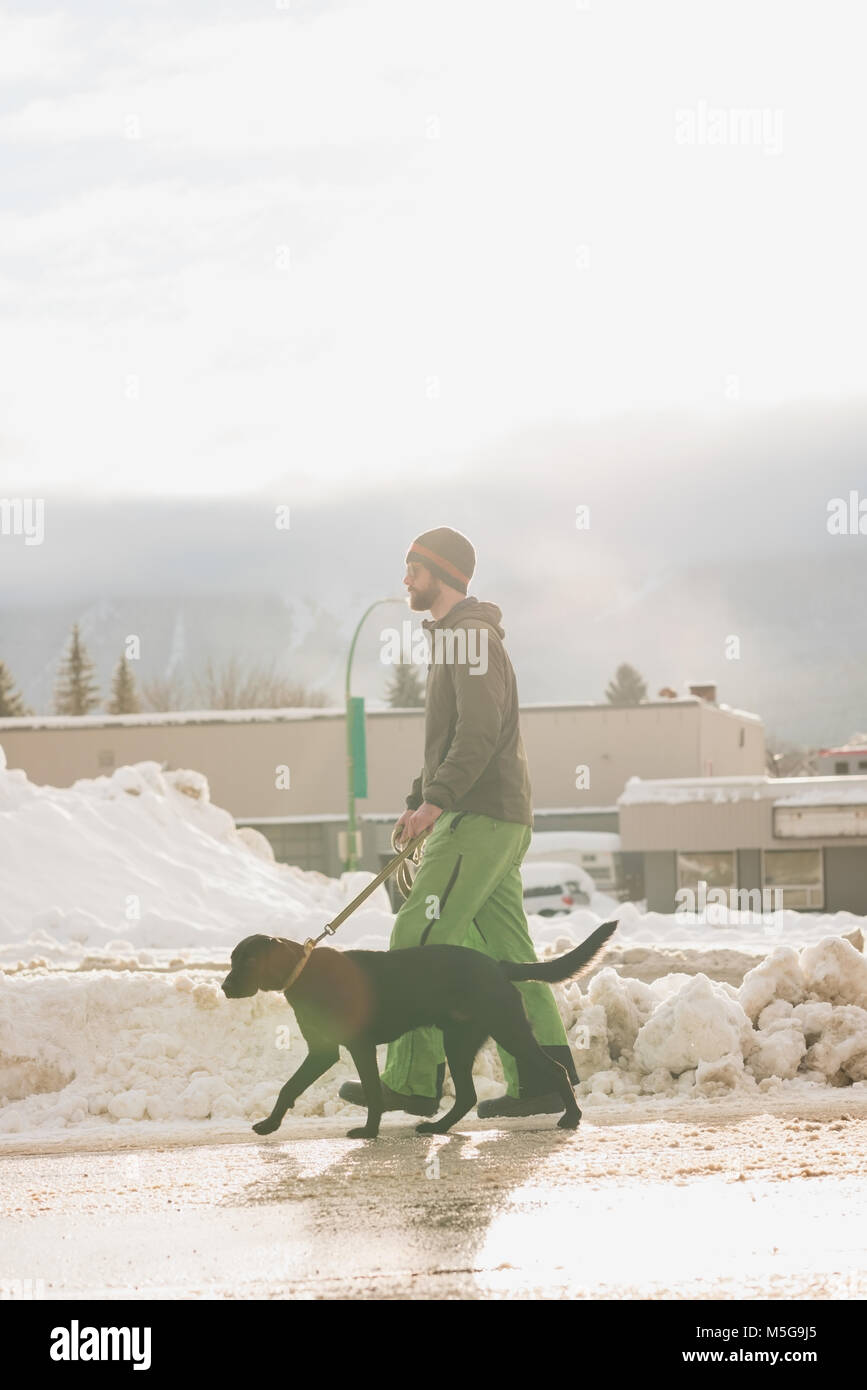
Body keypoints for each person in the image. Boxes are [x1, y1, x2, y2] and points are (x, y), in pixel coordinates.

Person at [339, 525, 579, 1118]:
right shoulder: (458, 639)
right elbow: (453, 736)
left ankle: (415, 1082)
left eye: (413, 569)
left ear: (442, 574)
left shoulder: (468, 639)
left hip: (477, 819)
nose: (405, 580)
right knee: (505, 956)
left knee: (418, 940)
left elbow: (478, 734)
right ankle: (544, 1081)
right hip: (493, 814)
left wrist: (437, 800)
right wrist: (420, 795)